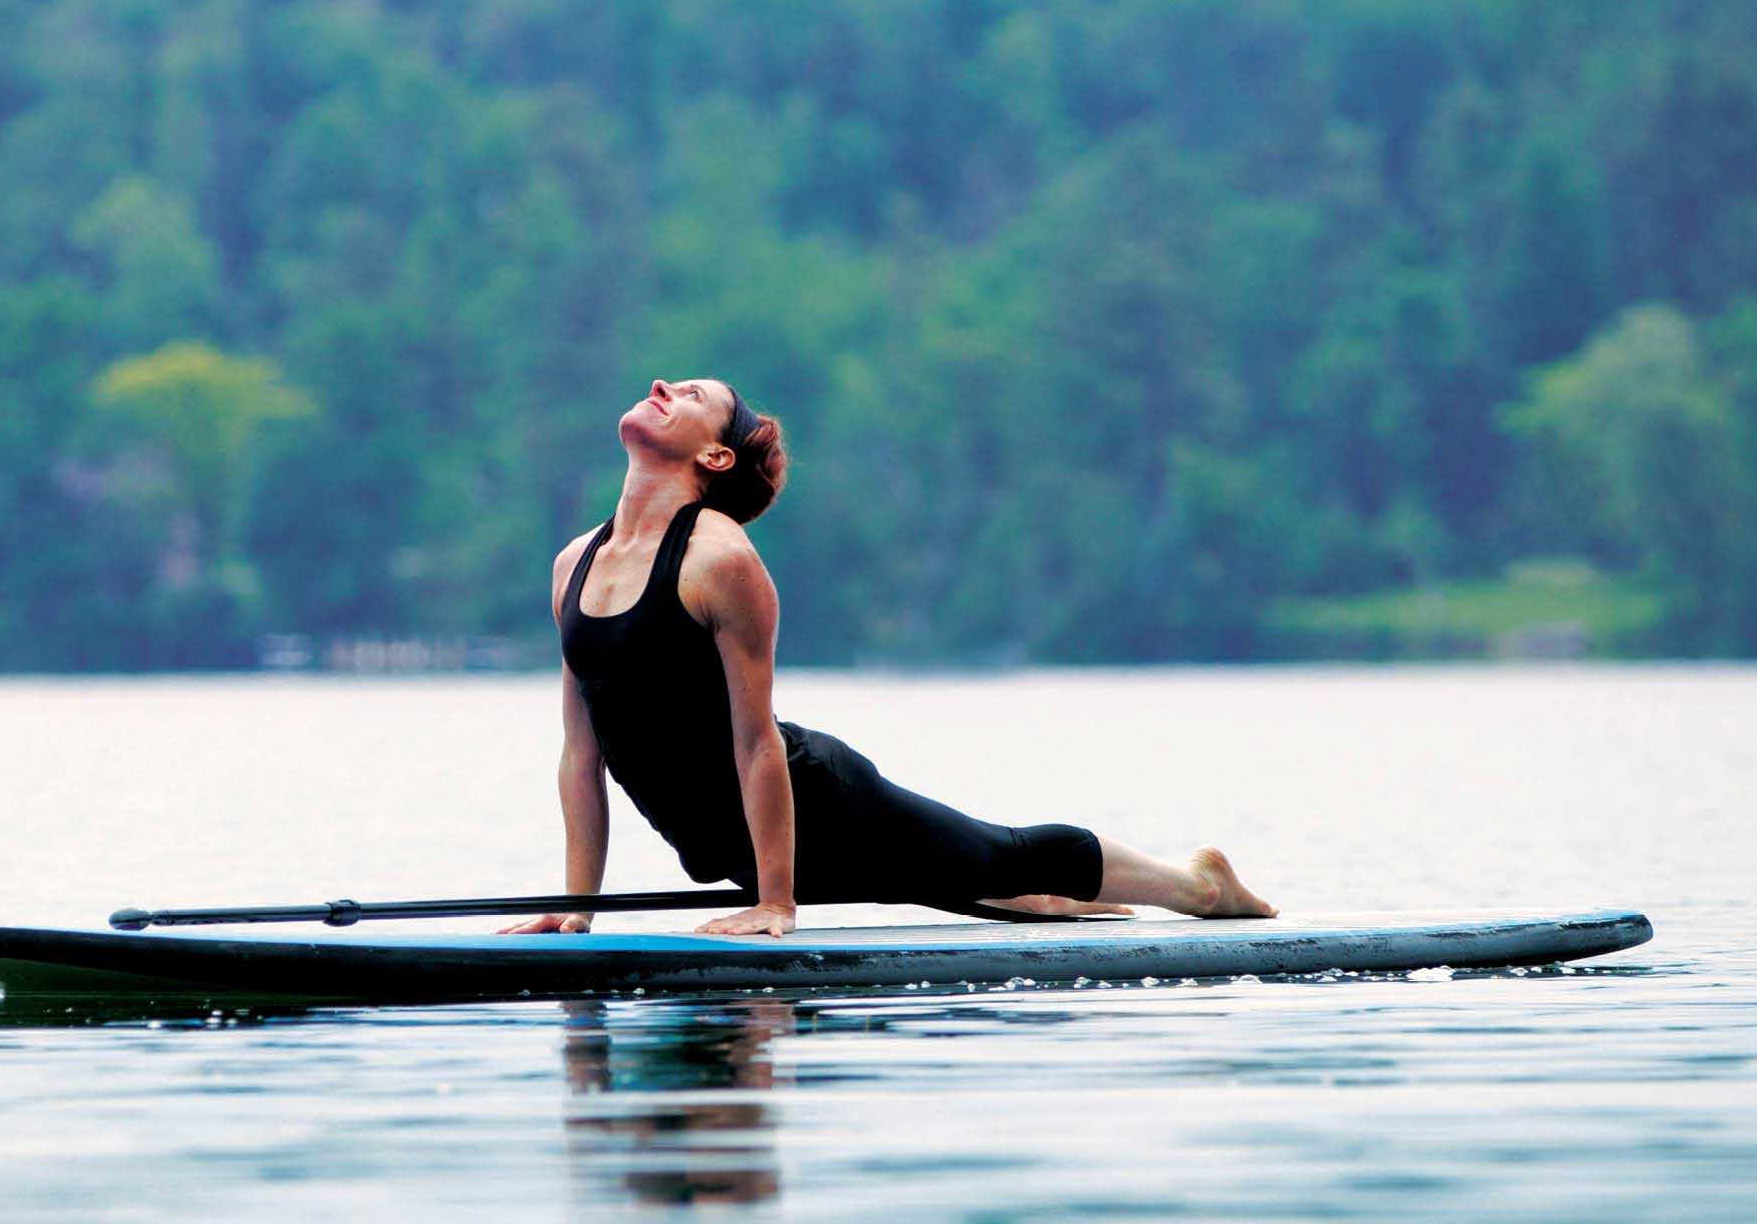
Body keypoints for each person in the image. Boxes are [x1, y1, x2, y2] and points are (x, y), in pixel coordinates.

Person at [502, 378, 1275, 940]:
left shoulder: (719, 562)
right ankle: (1051, 900)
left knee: (994, 858)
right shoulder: (575, 561)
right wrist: (579, 906)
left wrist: (778, 905)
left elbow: (755, 741)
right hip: (731, 848)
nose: (662, 386)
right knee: (983, 887)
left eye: (694, 395)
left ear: (714, 455)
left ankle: (1199, 885)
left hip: (819, 806)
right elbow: (581, 754)